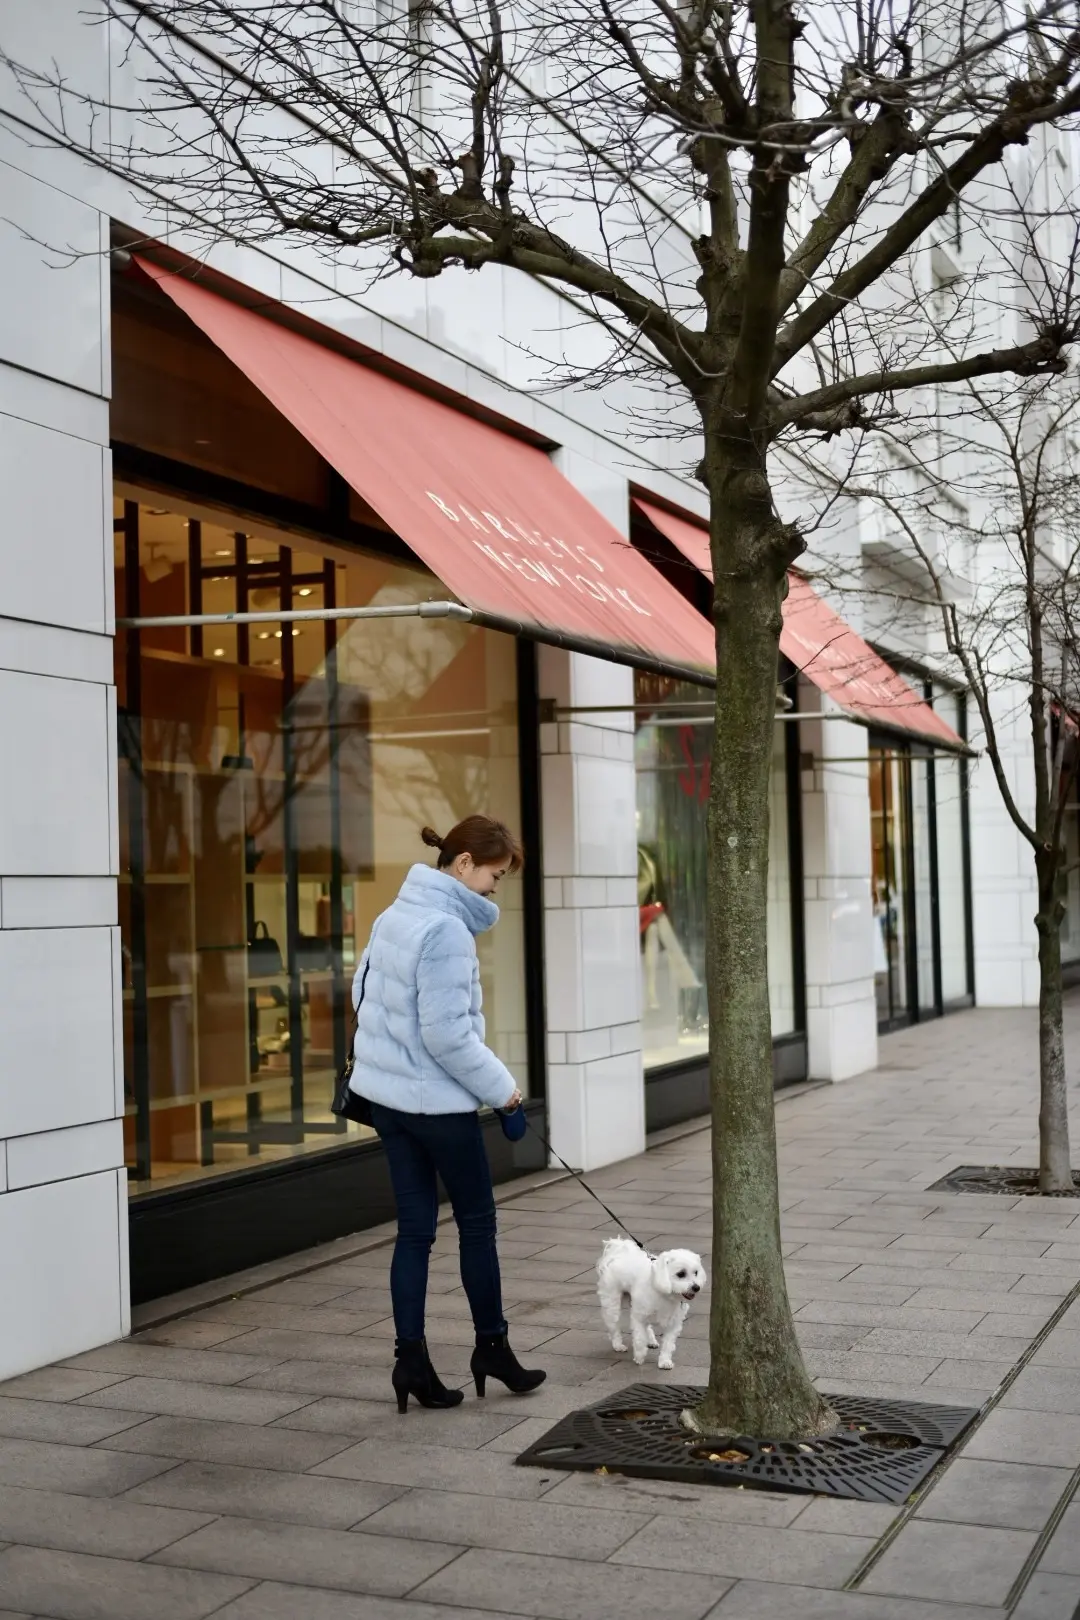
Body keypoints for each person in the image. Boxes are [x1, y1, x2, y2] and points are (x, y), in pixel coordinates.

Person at [349, 815, 547, 1414]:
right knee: (477, 1225)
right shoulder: (447, 930)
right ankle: (492, 1349)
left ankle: (411, 1363)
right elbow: (447, 1037)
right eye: (494, 874)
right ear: (463, 864)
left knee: (414, 1233)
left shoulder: (393, 916)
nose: (495, 887)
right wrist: (507, 1093)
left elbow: (362, 993)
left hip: (391, 1105)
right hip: (438, 1107)